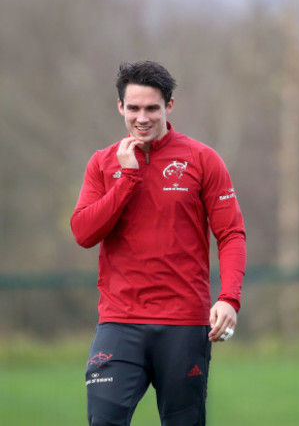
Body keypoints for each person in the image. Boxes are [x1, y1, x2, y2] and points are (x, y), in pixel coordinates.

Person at [71, 60, 246, 426]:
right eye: (133, 108)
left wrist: (229, 298)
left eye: (152, 108)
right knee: (103, 420)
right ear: (120, 107)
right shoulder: (102, 164)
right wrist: (127, 179)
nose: (142, 117)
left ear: (169, 106)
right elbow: (84, 233)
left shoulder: (203, 159)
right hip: (119, 323)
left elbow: (230, 234)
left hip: (184, 324)